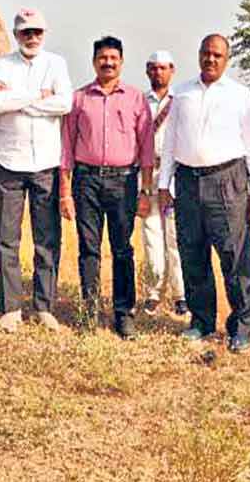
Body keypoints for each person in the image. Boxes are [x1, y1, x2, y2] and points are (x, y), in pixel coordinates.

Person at [158, 34, 250, 354]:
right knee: (193, 252)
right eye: (206, 53)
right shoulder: (182, 93)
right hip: (188, 182)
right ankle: (201, 320)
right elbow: (171, 143)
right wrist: (164, 185)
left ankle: (241, 326)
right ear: (199, 55)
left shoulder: (239, 95)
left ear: (226, 59)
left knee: (235, 255)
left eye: (218, 55)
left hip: (227, 181)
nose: (211, 59)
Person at [60, 36, 153, 339]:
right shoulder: (79, 99)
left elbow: (147, 147)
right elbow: (66, 147)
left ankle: (124, 313)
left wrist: (145, 190)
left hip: (124, 181)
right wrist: (65, 190)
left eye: (114, 58)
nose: (108, 63)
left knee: (122, 249)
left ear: (122, 62)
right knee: (89, 248)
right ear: (94, 61)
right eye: (103, 58)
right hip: (86, 181)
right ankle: (89, 312)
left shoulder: (136, 98)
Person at [0, 8, 73, 333]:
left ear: (44, 33)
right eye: (25, 32)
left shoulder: (56, 64)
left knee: (47, 238)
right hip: (8, 161)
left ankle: (43, 306)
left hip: (46, 164)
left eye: (37, 31)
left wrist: (18, 99)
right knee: (6, 238)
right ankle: (10, 308)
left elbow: (64, 104)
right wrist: (39, 95)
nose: (32, 37)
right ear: (16, 34)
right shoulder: (2, 65)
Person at [140, 50, 187, 317]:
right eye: (154, 68)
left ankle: (181, 294)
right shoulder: (139, 102)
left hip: (173, 177)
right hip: (146, 175)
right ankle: (154, 292)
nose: (158, 73)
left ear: (172, 70)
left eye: (163, 68)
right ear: (147, 71)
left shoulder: (181, 102)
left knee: (175, 237)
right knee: (151, 235)